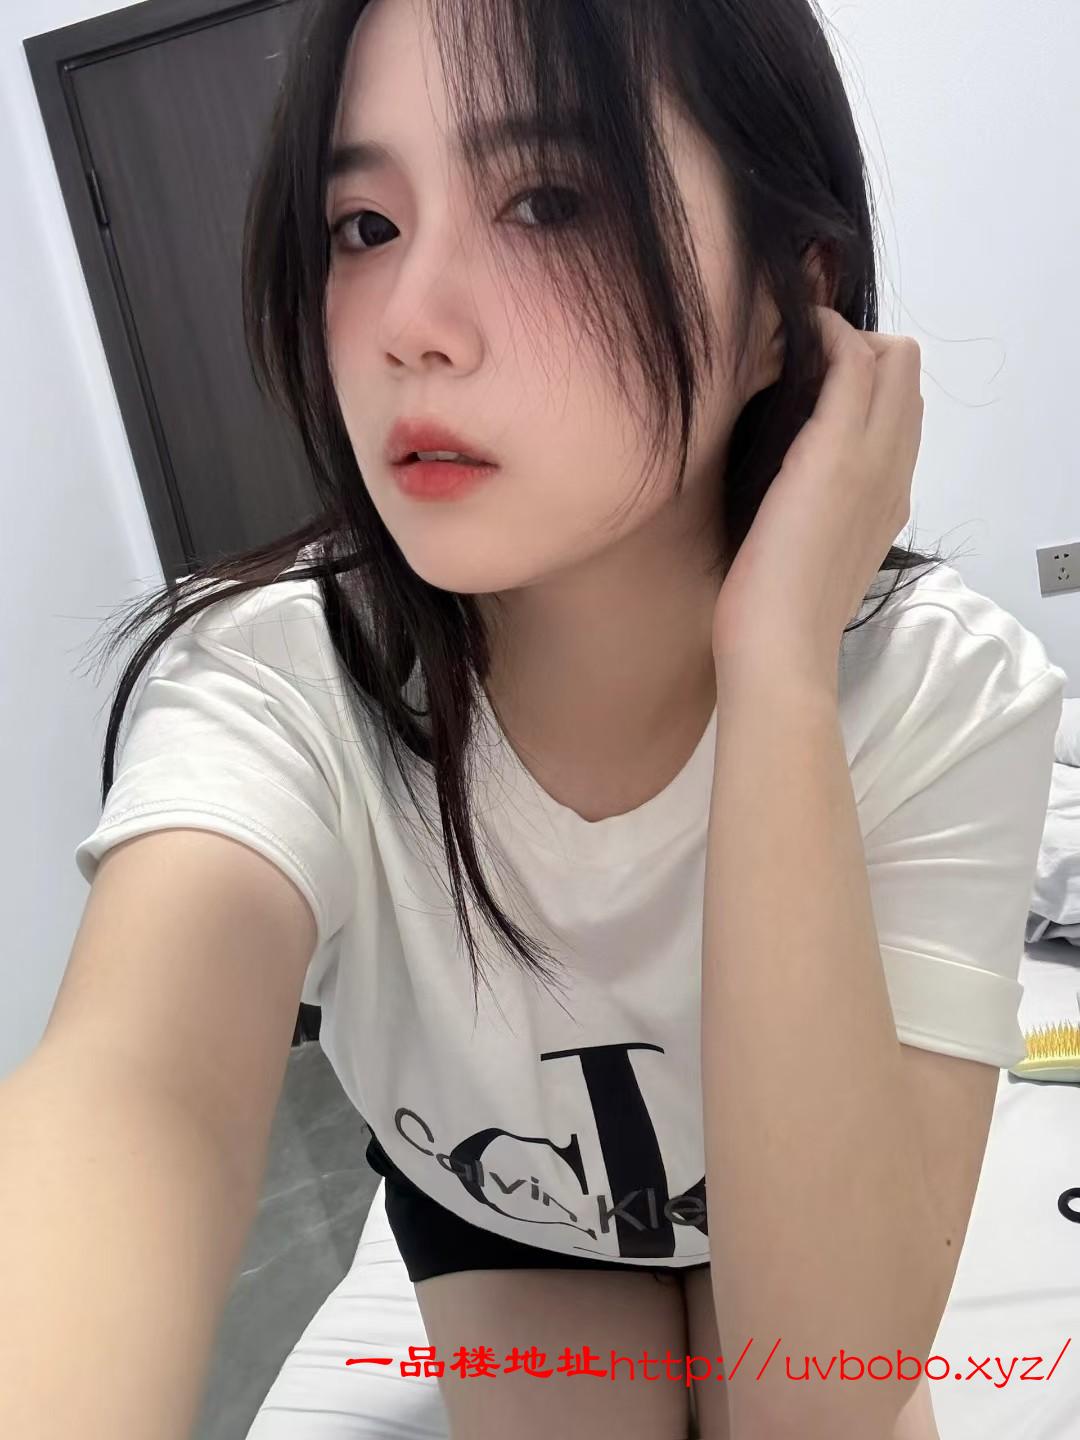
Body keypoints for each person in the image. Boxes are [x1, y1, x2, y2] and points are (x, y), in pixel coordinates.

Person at [1, 1, 1065, 1437]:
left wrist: (778, 676)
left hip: (799, 1201)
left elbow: (819, 1398)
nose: (409, 326)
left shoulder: (944, 691)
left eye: (549, 203)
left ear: (786, 298)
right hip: (504, 1210)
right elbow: (135, 1093)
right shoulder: (284, 683)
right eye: (364, 226)